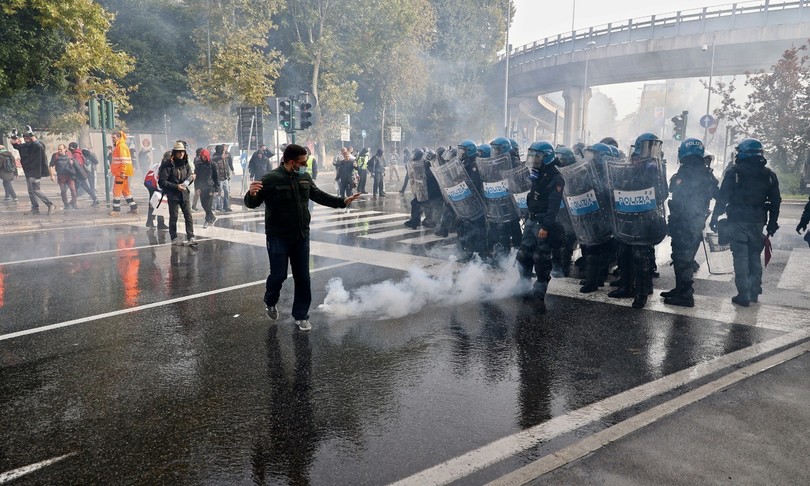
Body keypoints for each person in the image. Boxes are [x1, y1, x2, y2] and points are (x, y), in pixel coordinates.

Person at [244, 144, 361, 331]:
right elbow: (252, 203)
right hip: (278, 237)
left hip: (301, 235)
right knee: (278, 275)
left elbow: (319, 195)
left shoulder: (304, 177)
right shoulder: (271, 179)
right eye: (303, 162)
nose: (306, 165)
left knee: (303, 277)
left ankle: (301, 315)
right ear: (292, 162)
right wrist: (250, 194)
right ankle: (270, 300)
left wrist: (341, 202)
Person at [710, 138, 781, 306]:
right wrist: (772, 223)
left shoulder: (735, 173)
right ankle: (755, 291)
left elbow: (722, 198)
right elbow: (776, 202)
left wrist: (714, 216)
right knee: (754, 255)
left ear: (742, 153)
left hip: (738, 220)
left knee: (741, 257)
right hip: (758, 222)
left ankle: (743, 293)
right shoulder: (769, 175)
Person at [661, 139, 719, 307]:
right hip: (695, 222)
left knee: (682, 258)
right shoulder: (706, 172)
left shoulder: (687, 171)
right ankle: (680, 289)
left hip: (684, 222)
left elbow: (677, 193)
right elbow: (718, 195)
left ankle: (686, 295)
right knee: (684, 257)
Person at [516, 141, 565, 312]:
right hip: (531, 220)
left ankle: (539, 292)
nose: (533, 159)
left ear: (547, 157)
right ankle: (524, 287)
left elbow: (553, 206)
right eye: (532, 156)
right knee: (523, 254)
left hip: (542, 223)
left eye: (537, 156)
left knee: (541, 258)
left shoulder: (555, 177)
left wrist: (545, 226)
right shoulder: (538, 173)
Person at [158, 141, 198, 246]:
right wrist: (176, 187)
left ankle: (191, 237)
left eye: (183, 152)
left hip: (184, 194)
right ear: (174, 153)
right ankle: (174, 238)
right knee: (174, 217)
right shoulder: (167, 165)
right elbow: (162, 182)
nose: (181, 154)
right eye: (179, 152)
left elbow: (187, 180)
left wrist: (191, 179)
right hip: (173, 195)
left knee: (188, 216)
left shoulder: (186, 165)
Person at [11, 127, 54, 215]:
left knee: (36, 190)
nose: (26, 139)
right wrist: (13, 135)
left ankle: (50, 204)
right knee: (31, 191)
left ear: (31, 137)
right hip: (28, 171)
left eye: (28, 138)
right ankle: (35, 208)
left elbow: (37, 144)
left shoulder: (38, 145)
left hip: (36, 171)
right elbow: (14, 144)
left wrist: (30, 133)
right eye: (25, 138)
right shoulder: (24, 146)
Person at [110, 130, 138, 214]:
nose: (113, 139)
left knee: (116, 190)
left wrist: (122, 171)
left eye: (114, 138)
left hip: (121, 173)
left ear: (119, 137)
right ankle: (134, 207)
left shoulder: (121, 146)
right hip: (123, 173)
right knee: (126, 191)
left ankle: (116, 209)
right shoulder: (120, 146)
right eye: (112, 138)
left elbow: (123, 160)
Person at [68, 142, 100, 206]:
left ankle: (72, 203)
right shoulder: (77, 153)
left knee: (75, 189)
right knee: (86, 188)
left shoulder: (76, 154)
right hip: (81, 175)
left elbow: (78, 165)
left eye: (70, 147)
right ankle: (95, 199)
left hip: (79, 175)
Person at [144, 151, 170, 230]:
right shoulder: (162, 165)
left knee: (158, 203)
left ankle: (156, 222)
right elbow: (157, 177)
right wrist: (160, 189)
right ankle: (152, 222)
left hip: (152, 184)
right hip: (152, 184)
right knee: (155, 202)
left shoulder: (162, 163)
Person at [194, 148, 219, 228]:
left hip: (210, 187)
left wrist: (216, 188)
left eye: (205, 157)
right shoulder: (198, 165)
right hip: (202, 187)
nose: (204, 158)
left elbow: (216, 177)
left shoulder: (212, 164)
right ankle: (213, 217)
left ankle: (207, 220)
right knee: (203, 204)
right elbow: (196, 177)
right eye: (202, 157)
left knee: (208, 204)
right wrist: (196, 188)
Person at [49, 144, 79, 209]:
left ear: (65, 149)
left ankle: (74, 203)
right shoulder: (55, 155)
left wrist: (72, 163)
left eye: (61, 149)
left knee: (73, 190)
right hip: (61, 176)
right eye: (58, 149)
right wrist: (52, 175)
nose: (59, 150)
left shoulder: (69, 154)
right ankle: (66, 204)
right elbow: (51, 165)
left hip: (69, 175)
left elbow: (74, 163)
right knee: (63, 191)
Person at [212, 145, 232, 213]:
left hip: (225, 177)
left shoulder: (225, 156)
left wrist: (228, 175)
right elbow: (212, 159)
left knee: (227, 192)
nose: (223, 150)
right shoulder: (215, 156)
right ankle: (219, 206)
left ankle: (226, 206)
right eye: (222, 149)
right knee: (218, 193)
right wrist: (221, 156)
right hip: (219, 178)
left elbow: (227, 166)